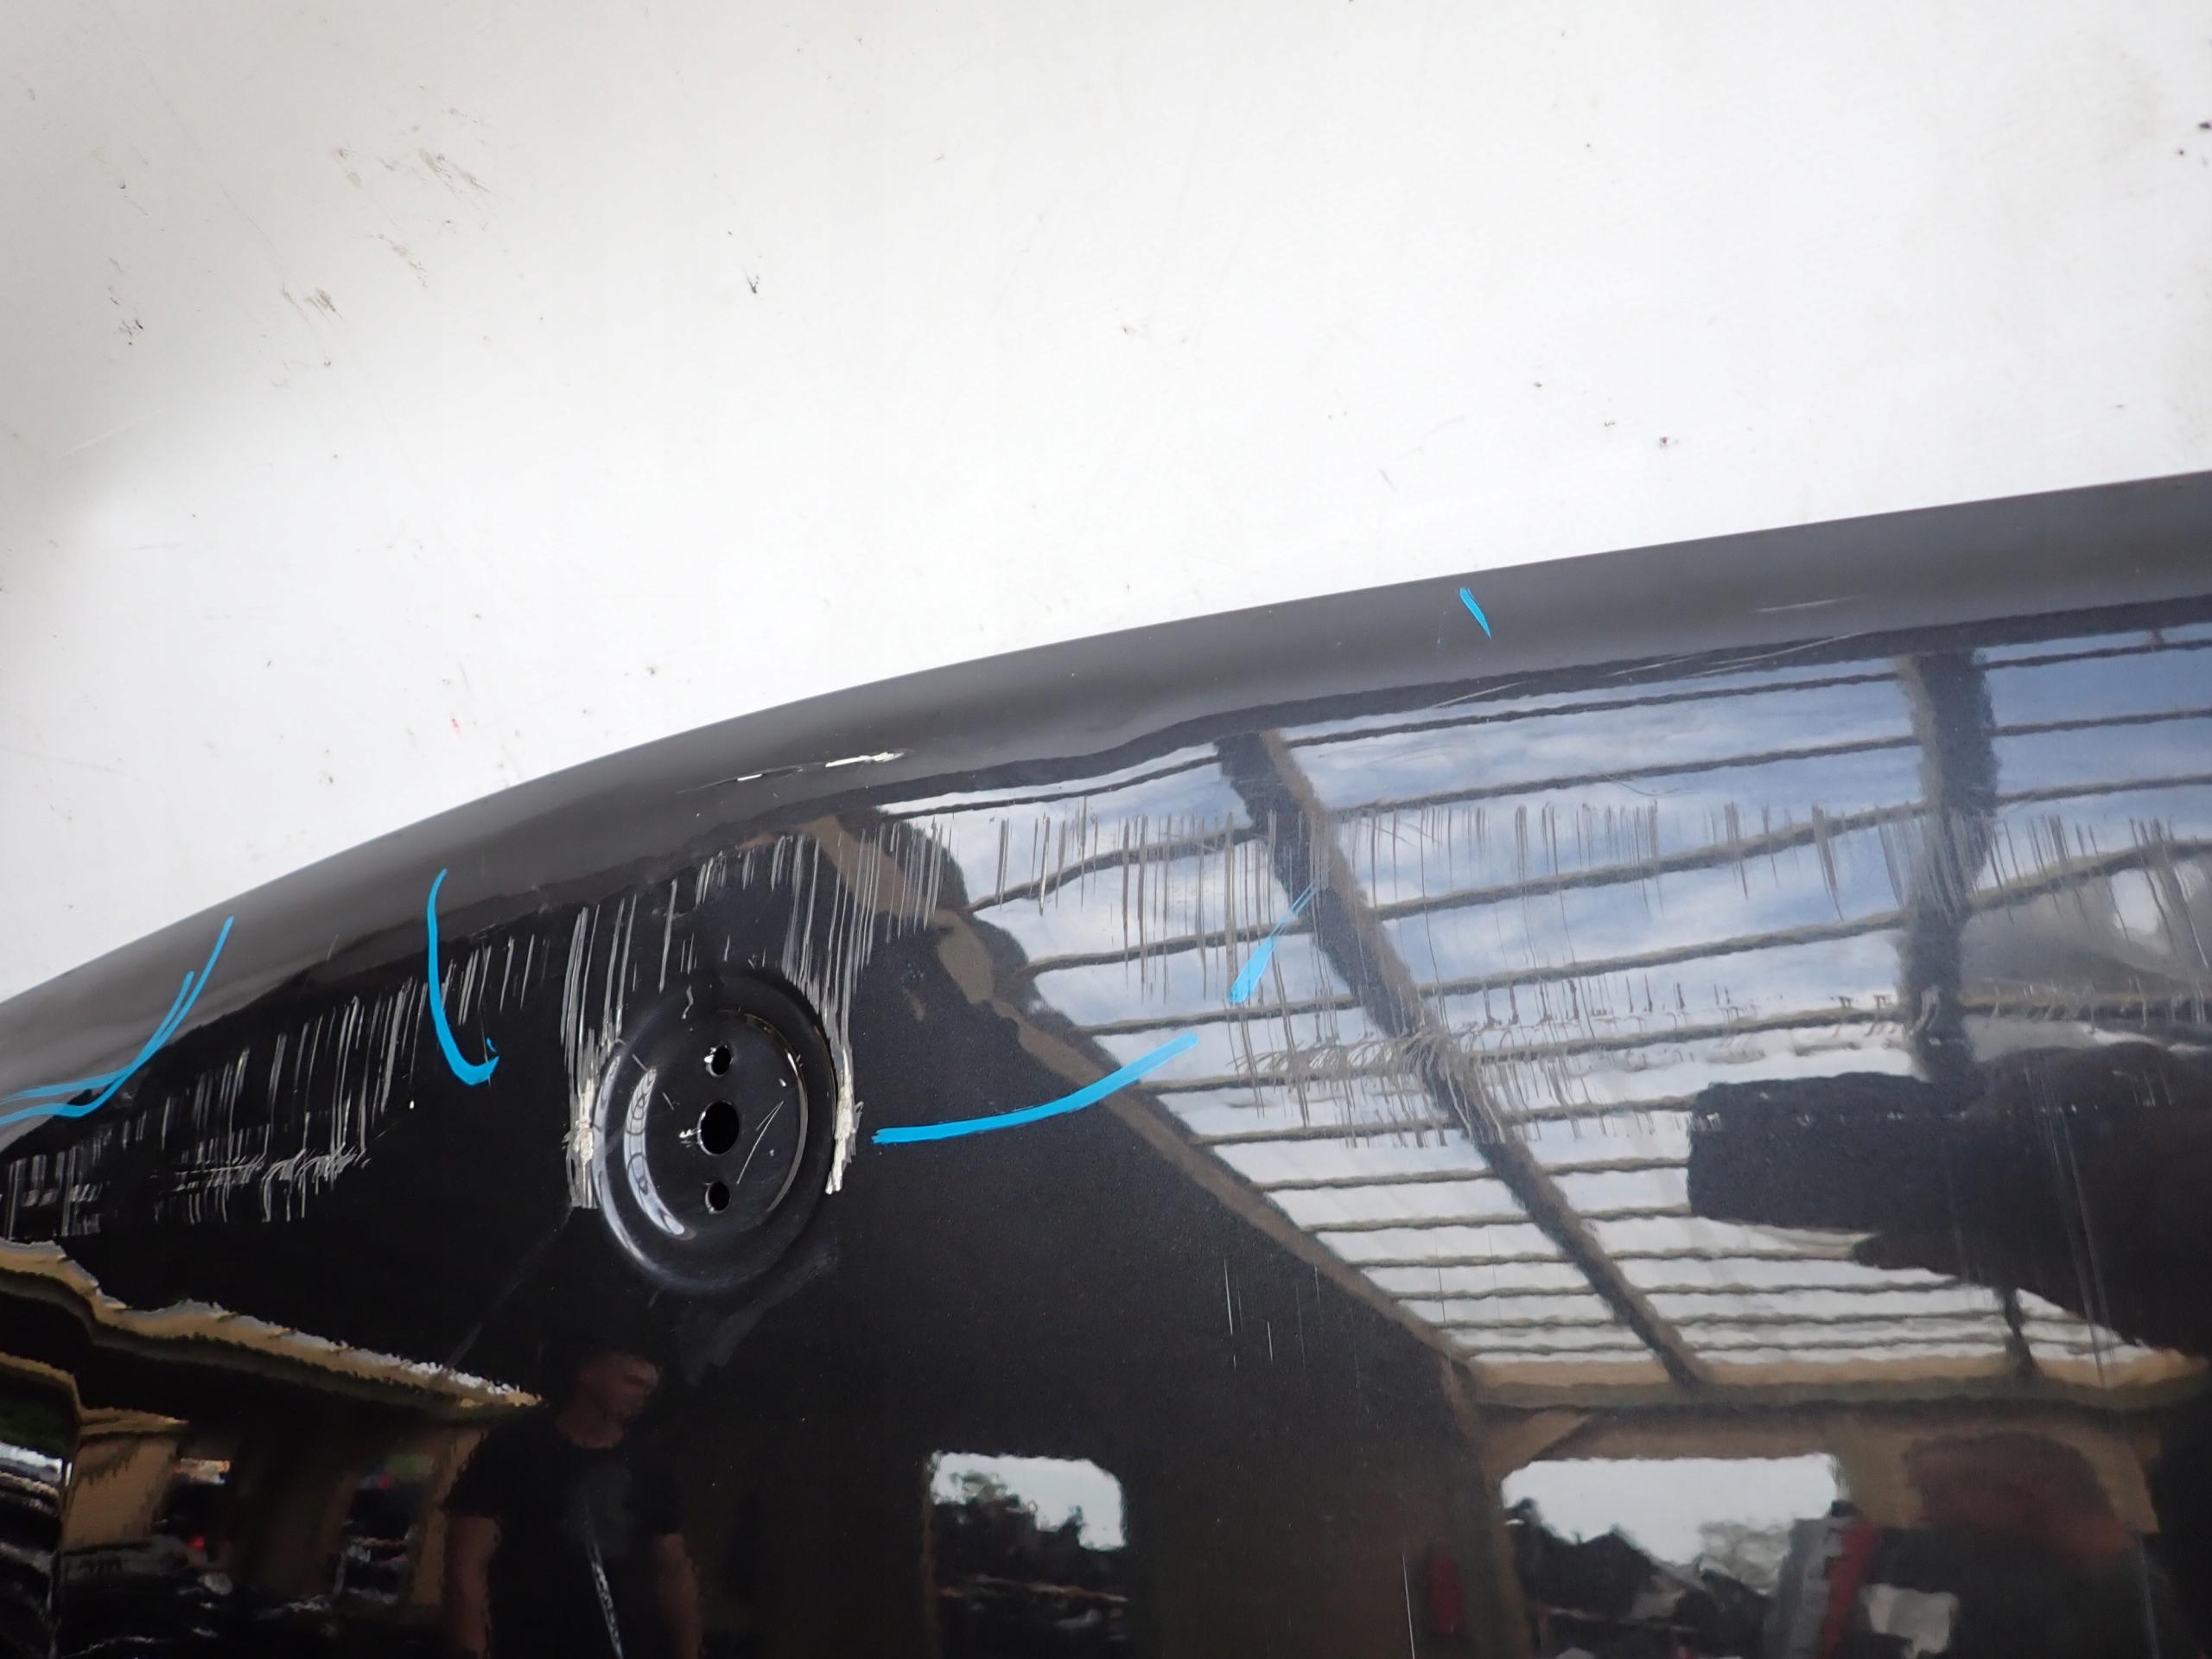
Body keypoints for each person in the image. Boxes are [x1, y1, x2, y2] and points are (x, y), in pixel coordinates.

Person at [442, 1338, 703, 1659]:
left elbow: (673, 1570)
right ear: (588, 1374)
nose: (642, 1394)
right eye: (632, 1381)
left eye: (649, 1388)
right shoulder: (515, 1448)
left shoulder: (650, 1465)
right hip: (525, 1644)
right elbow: (466, 1562)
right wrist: (471, 1649)